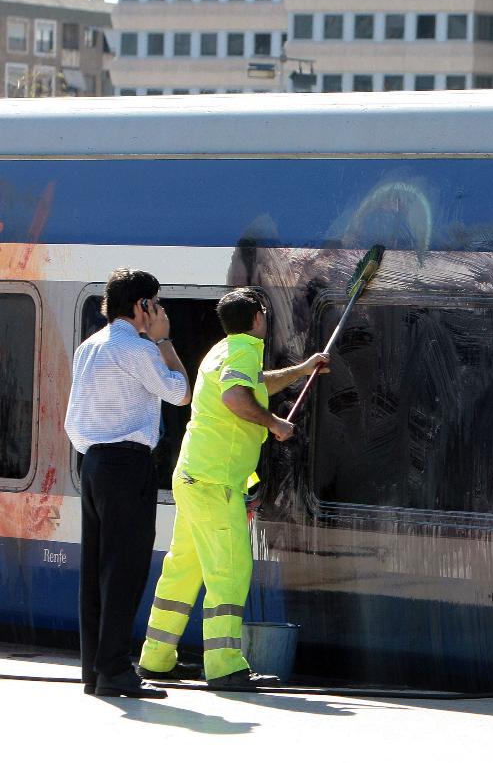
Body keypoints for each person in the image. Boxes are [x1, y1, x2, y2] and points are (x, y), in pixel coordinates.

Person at [137, 288, 328, 689]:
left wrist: (302, 369)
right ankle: (224, 667)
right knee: (230, 572)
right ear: (258, 316)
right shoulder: (244, 349)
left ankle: (155, 659)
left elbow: (254, 384)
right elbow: (236, 396)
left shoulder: (223, 350)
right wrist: (274, 424)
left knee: (183, 572)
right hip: (216, 482)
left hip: (193, 476)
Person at [64, 268, 191, 699]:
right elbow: (180, 393)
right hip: (127, 466)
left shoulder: (89, 347)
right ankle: (116, 669)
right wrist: (163, 340)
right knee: (125, 570)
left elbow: (73, 419)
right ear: (143, 306)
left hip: (93, 462)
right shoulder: (136, 349)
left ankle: (95, 671)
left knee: (96, 572)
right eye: (156, 304)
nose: (160, 312)